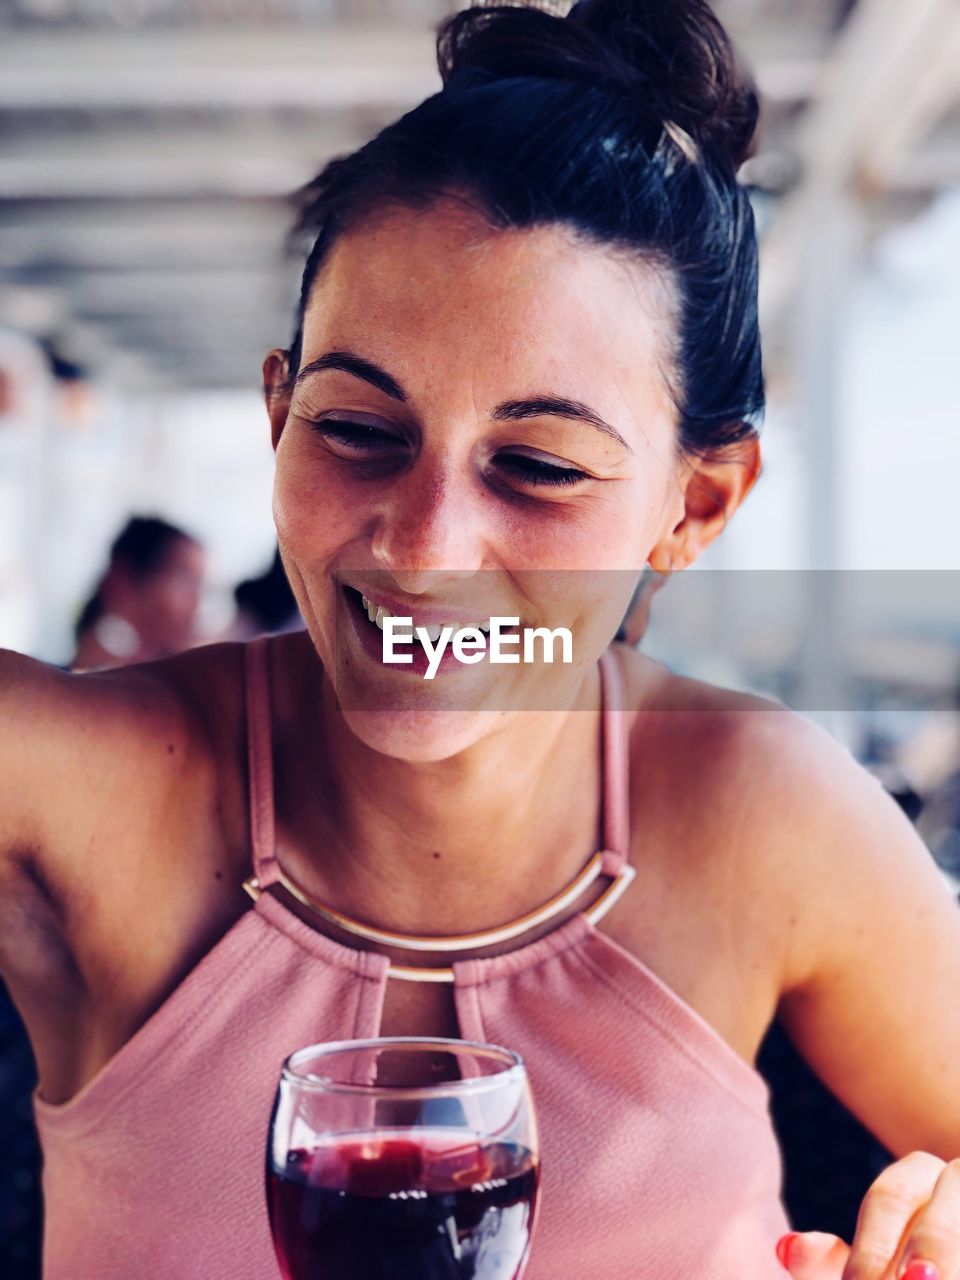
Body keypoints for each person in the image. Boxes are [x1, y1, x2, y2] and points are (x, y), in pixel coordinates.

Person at [1, 4, 958, 1278]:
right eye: (357, 430)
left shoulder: (764, 812)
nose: (421, 544)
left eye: (538, 465)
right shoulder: (66, 782)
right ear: (278, 411)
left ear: (697, 503)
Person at [70, 515, 206, 672]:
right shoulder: (89, 676)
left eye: (200, 586)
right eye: (184, 580)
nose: (197, 602)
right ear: (123, 579)